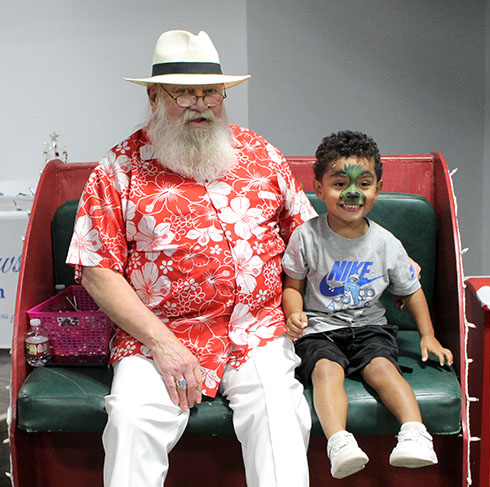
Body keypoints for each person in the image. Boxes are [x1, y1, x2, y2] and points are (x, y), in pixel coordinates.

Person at [66, 29, 316, 487]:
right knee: (131, 420)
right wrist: (161, 343)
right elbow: (97, 268)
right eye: (183, 93)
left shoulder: (261, 154)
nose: (200, 105)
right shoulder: (119, 168)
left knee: (280, 415)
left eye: (211, 93)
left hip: (256, 329)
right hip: (157, 335)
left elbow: (306, 236)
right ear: (154, 97)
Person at [281, 130, 454, 479]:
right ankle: (340, 442)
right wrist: (294, 312)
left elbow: (412, 289)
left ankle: (414, 433)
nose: (352, 193)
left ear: (377, 189)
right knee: (325, 371)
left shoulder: (386, 243)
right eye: (339, 183)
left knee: (382, 368)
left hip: (370, 327)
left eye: (364, 183)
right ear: (319, 189)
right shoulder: (306, 236)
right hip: (320, 330)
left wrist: (428, 335)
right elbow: (293, 285)